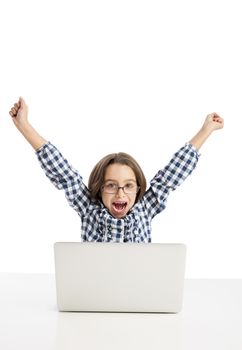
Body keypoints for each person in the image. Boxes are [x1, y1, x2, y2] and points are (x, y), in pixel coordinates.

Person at [9, 97, 224, 242]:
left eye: (128, 186)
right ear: (99, 189)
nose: (120, 193)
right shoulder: (89, 209)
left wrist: (206, 130)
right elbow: (63, 173)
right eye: (111, 186)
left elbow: (173, 173)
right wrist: (24, 126)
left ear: (138, 190)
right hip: (95, 295)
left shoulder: (145, 208)